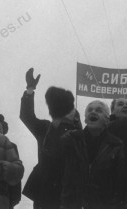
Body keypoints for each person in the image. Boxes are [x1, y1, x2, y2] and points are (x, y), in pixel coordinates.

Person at [20, 68, 82, 209]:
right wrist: (30, 90)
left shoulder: (81, 136)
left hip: (70, 191)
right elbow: (26, 116)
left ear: (76, 117)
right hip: (45, 191)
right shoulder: (45, 128)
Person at [59, 100, 126, 209]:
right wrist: (58, 123)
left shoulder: (116, 145)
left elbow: (120, 185)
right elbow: (50, 151)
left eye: (98, 110)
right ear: (85, 119)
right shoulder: (72, 139)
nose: (93, 112)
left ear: (107, 120)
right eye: (90, 110)